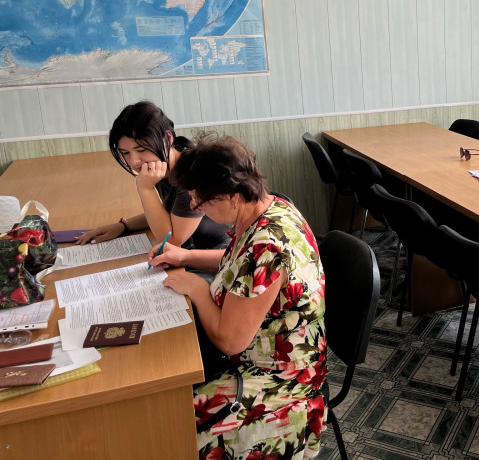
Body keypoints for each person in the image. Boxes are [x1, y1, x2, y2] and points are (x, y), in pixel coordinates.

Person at [148, 133, 326, 459]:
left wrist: (198, 289)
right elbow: (236, 263)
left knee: (168, 426)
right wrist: (185, 256)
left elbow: (230, 341)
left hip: (278, 382)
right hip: (261, 361)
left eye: (201, 202)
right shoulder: (270, 208)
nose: (197, 209)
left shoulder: (266, 245)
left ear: (231, 195)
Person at [75, 101, 229, 250]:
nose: (134, 161)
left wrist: (145, 189)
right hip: (196, 250)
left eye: (141, 150)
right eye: (125, 153)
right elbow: (169, 214)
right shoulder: (162, 165)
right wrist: (123, 225)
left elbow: (171, 241)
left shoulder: (190, 176)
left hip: (222, 253)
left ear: (168, 138)